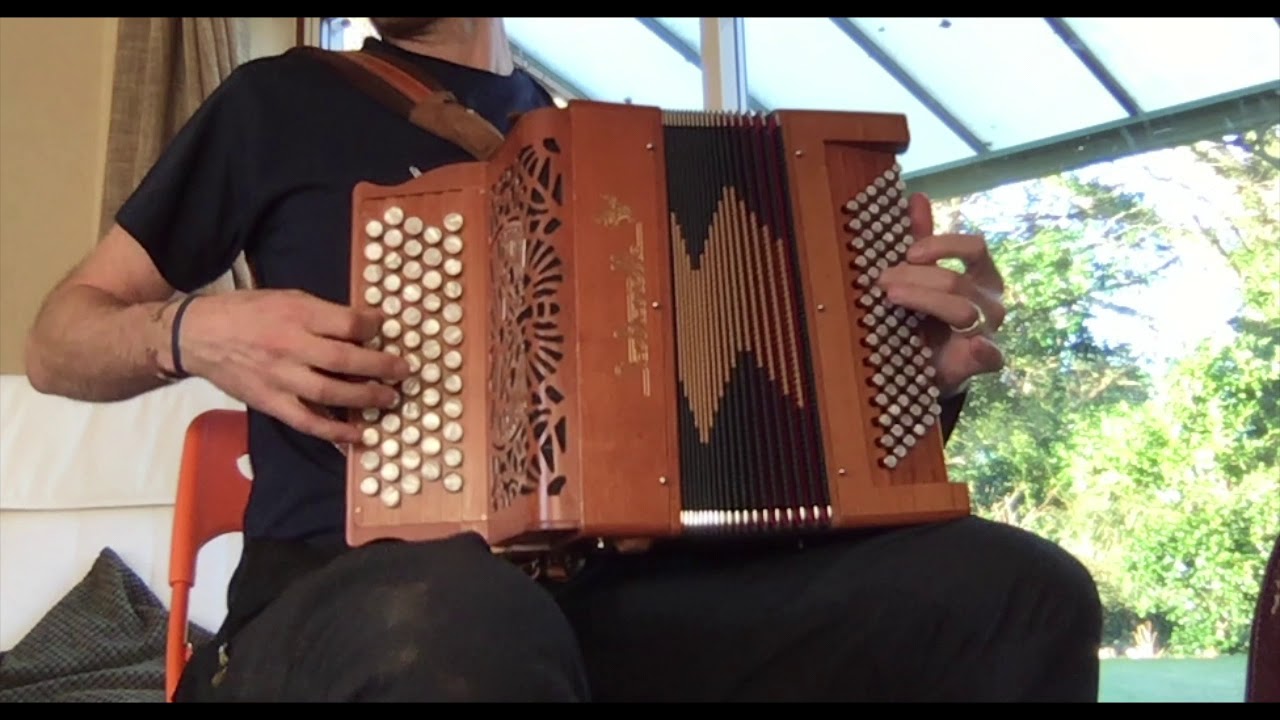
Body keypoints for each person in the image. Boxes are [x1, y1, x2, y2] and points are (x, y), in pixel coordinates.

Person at [24, 17, 1102, 702]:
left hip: (608, 603)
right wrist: (190, 331)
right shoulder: (273, 103)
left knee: (1014, 591)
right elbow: (60, 337)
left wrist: (916, 369)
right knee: (459, 616)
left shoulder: (603, 148)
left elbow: (770, 435)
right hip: (341, 601)